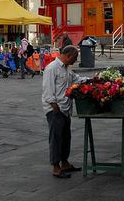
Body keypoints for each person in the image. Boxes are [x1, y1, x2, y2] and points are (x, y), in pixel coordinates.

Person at [41, 45, 85, 178]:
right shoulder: (52, 68)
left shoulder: (67, 69)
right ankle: (56, 166)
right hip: (56, 109)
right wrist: (54, 106)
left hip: (65, 108)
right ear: (68, 56)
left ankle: (65, 162)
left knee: (66, 137)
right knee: (56, 138)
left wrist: (93, 79)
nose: (76, 60)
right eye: (75, 57)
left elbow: (77, 79)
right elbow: (48, 89)